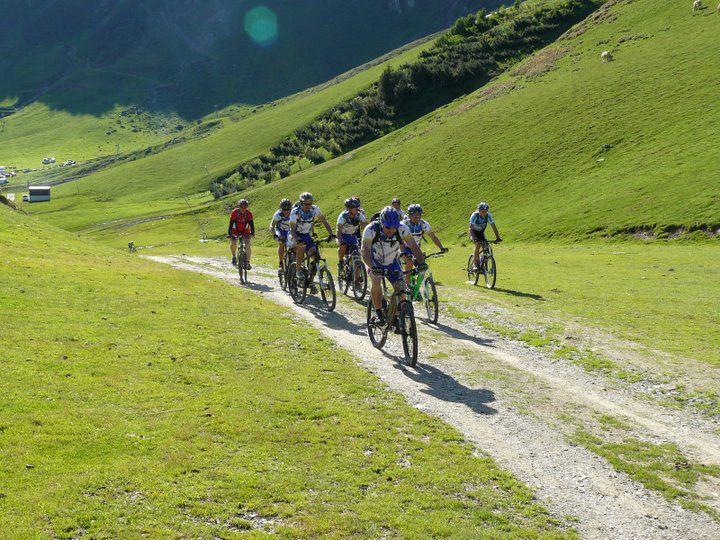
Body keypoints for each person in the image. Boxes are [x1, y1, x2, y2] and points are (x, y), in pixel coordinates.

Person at [362, 207, 426, 325]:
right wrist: (372, 266)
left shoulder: (402, 229)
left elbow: (414, 247)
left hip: (392, 262)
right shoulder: (370, 230)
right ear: (381, 223)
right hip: (373, 261)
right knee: (376, 280)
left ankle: (396, 315)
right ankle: (378, 313)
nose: (391, 230)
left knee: (401, 288)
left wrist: (421, 262)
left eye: (394, 227)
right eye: (387, 227)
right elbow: (365, 252)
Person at [289, 192, 334, 291]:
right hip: (295, 234)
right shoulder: (295, 212)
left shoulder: (315, 209)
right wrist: (297, 239)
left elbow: (324, 221)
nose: (308, 206)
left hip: (306, 235)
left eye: (310, 203)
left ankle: (310, 281)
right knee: (301, 247)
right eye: (306, 204)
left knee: (316, 257)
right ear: (301, 203)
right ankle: (298, 270)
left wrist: (331, 234)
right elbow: (292, 230)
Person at [401, 204, 448, 276]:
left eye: (418, 214)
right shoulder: (404, 224)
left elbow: (433, 237)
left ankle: (422, 284)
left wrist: (441, 247)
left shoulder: (423, 224)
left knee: (423, 267)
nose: (416, 217)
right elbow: (399, 240)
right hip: (405, 247)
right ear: (409, 215)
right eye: (414, 215)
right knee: (409, 263)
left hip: (416, 248)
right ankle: (406, 284)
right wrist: (403, 253)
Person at [336, 197, 368, 275]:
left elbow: (366, 226)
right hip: (343, 235)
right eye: (355, 207)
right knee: (343, 247)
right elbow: (338, 230)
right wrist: (340, 241)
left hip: (352, 236)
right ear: (349, 209)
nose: (357, 209)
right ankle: (340, 262)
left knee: (357, 255)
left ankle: (357, 278)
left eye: (358, 207)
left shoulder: (359, 215)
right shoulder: (343, 216)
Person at [469, 202, 502, 270]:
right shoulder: (475, 216)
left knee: (486, 247)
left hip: (481, 233)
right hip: (473, 233)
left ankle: (482, 263)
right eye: (482, 212)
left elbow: (493, 226)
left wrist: (498, 237)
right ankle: (475, 265)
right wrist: (474, 238)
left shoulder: (488, 216)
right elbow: (470, 229)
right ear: (479, 211)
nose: (484, 214)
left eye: (485, 212)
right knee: (478, 245)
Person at [228, 199, 255, 268]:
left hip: (245, 230)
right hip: (235, 230)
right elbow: (231, 223)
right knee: (233, 242)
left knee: (248, 244)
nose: (243, 209)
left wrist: (252, 232)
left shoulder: (249, 214)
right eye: (242, 207)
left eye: (245, 207)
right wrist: (229, 233)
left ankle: (248, 262)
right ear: (239, 207)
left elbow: (251, 225)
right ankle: (234, 256)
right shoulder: (234, 212)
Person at [269, 198, 293, 269]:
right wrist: (275, 235)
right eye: (284, 209)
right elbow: (272, 226)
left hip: (290, 230)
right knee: (281, 242)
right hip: (280, 230)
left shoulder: (293, 213)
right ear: (281, 209)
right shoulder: (278, 214)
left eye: (288, 209)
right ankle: (281, 262)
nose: (286, 211)